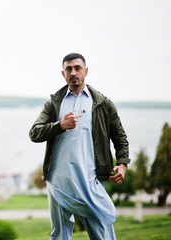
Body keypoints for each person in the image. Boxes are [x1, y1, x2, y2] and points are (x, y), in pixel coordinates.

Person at [29, 53, 130, 240]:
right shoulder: (54, 103)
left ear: (86, 71)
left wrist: (122, 163)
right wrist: (59, 126)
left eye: (77, 68)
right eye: (69, 69)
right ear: (63, 74)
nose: (73, 72)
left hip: (89, 179)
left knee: (102, 228)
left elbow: (119, 136)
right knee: (59, 234)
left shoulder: (103, 103)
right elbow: (34, 133)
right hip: (58, 180)